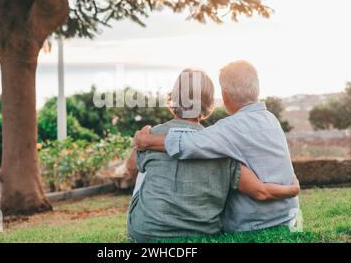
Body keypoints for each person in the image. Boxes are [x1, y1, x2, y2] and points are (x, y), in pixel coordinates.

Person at [126, 68, 299, 242]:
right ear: (209, 102)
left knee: (141, 166)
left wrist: (142, 142)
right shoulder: (221, 141)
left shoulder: (155, 134)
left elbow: (130, 168)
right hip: (203, 233)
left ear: (175, 97)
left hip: (146, 232)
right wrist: (292, 189)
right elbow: (259, 190)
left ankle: (151, 220)